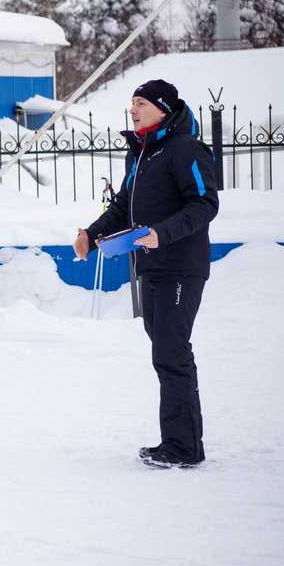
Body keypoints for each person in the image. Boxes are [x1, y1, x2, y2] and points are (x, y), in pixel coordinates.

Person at [73, 80, 218, 469]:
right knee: (166, 355)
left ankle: (182, 448)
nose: (132, 110)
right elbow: (124, 206)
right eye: (131, 103)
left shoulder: (186, 148)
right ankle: (180, 442)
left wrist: (162, 233)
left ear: (163, 108)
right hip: (151, 267)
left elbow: (205, 203)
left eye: (140, 103)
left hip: (180, 266)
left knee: (172, 354)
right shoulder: (141, 153)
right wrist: (91, 234)